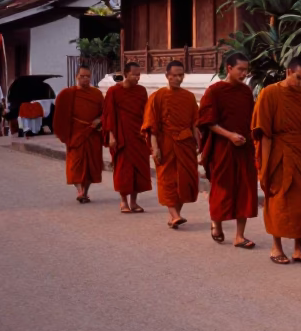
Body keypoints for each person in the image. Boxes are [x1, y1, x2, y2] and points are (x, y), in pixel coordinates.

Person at [252, 56, 301, 265]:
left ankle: (298, 249)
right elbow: (264, 132)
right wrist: (264, 164)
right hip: (278, 151)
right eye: (298, 78)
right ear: (288, 72)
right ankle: (276, 247)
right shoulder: (270, 93)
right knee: (279, 200)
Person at [198, 53, 258, 249]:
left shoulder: (246, 92)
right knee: (222, 188)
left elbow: (251, 118)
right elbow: (207, 122)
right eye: (240, 69)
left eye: (246, 70)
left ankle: (240, 236)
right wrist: (230, 135)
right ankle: (217, 223)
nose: (244, 74)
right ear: (229, 68)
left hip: (244, 147)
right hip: (222, 147)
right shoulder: (214, 92)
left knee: (245, 189)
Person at [143, 60, 200, 229]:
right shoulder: (157, 97)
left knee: (185, 180)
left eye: (181, 75)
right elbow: (151, 125)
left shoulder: (189, 97)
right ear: (167, 76)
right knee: (167, 179)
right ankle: (174, 215)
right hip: (165, 143)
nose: (177, 78)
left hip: (185, 143)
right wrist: (155, 148)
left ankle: (175, 215)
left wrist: (197, 144)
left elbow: (195, 123)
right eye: (174, 75)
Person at [103, 62, 152, 214]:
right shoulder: (114, 91)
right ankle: (123, 201)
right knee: (124, 170)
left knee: (138, 169)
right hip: (121, 136)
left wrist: (147, 132)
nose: (137, 77)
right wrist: (111, 135)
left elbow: (146, 112)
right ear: (126, 74)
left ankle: (134, 202)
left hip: (138, 135)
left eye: (139, 74)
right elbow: (108, 114)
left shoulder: (141, 91)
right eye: (134, 74)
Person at [54, 66, 104, 203]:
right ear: (76, 77)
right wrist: (63, 133)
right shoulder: (67, 94)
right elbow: (60, 115)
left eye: (88, 76)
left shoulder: (97, 94)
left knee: (91, 164)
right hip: (76, 133)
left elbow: (105, 112)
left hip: (92, 132)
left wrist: (100, 120)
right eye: (82, 76)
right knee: (75, 163)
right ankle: (79, 190)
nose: (85, 79)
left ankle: (85, 191)